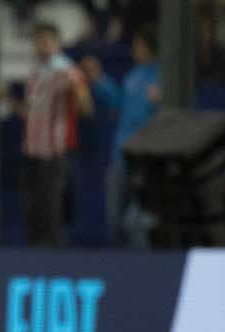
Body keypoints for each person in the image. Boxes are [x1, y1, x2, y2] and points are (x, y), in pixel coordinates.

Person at [0, 22, 93, 247]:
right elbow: (31, 113)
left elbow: (83, 97)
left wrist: (82, 101)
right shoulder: (37, 73)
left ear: (57, 43)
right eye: (40, 41)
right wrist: (7, 100)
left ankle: (54, 261)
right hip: (33, 150)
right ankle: (36, 258)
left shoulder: (63, 69)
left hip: (53, 152)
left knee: (51, 211)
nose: (43, 45)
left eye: (48, 41)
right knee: (34, 211)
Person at [80, 26, 161, 246]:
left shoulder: (163, 76)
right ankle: (124, 267)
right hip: (121, 157)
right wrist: (99, 79)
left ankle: (144, 269)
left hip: (146, 160)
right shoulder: (133, 76)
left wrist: (163, 100)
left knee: (136, 221)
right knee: (115, 220)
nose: (134, 50)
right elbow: (119, 104)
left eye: (138, 45)